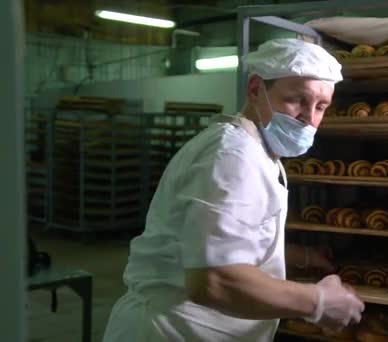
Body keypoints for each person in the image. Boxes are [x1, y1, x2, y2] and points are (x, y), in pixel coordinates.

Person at [102, 38, 365, 342]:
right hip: (174, 331)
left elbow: (217, 237)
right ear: (255, 89)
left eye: (321, 106)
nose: (309, 118)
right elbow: (214, 280)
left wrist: (296, 255)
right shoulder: (231, 156)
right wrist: (319, 301)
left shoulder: (259, 152)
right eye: (297, 100)